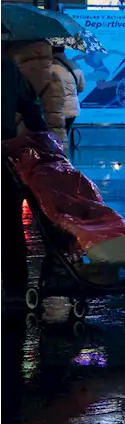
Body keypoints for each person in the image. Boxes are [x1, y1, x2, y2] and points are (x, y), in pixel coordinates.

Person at [0, 58, 47, 306]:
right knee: (10, 222)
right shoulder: (8, 68)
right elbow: (30, 108)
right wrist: (43, 136)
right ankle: (16, 287)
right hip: (4, 154)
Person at [6, 40, 66, 146]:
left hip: (11, 137)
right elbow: (56, 122)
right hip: (37, 141)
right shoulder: (53, 77)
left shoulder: (10, 71)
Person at [50, 47, 85, 139]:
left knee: (55, 137)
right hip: (72, 108)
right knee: (64, 135)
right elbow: (81, 88)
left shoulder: (50, 67)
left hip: (56, 107)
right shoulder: (75, 66)